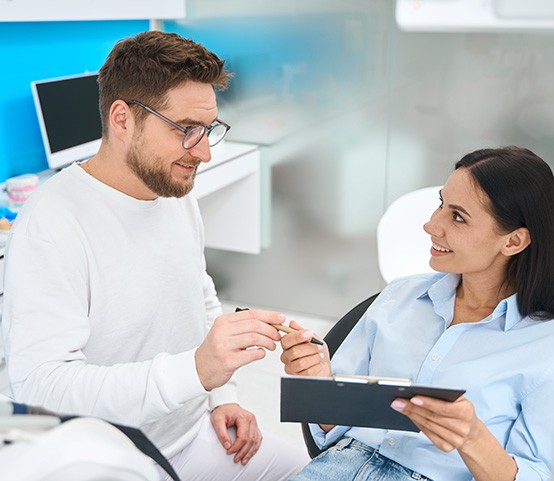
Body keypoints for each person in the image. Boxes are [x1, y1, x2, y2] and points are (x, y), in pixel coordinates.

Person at [1, 31, 307, 481]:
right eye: (185, 130)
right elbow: (42, 387)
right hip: (112, 454)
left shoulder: (171, 189)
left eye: (208, 130)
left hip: (192, 431)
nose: (202, 152)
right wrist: (195, 371)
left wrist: (223, 395)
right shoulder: (52, 225)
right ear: (122, 119)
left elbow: (197, 292)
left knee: (313, 470)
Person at [280, 146, 554, 481]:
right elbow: (333, 429)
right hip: (338, 466)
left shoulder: (543, 346)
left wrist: (473, 438)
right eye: (441, 203)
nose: (430, 225)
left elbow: (538, 472)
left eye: (458, 217)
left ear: (513, 242)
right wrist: (319, 379)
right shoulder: (400, 296)